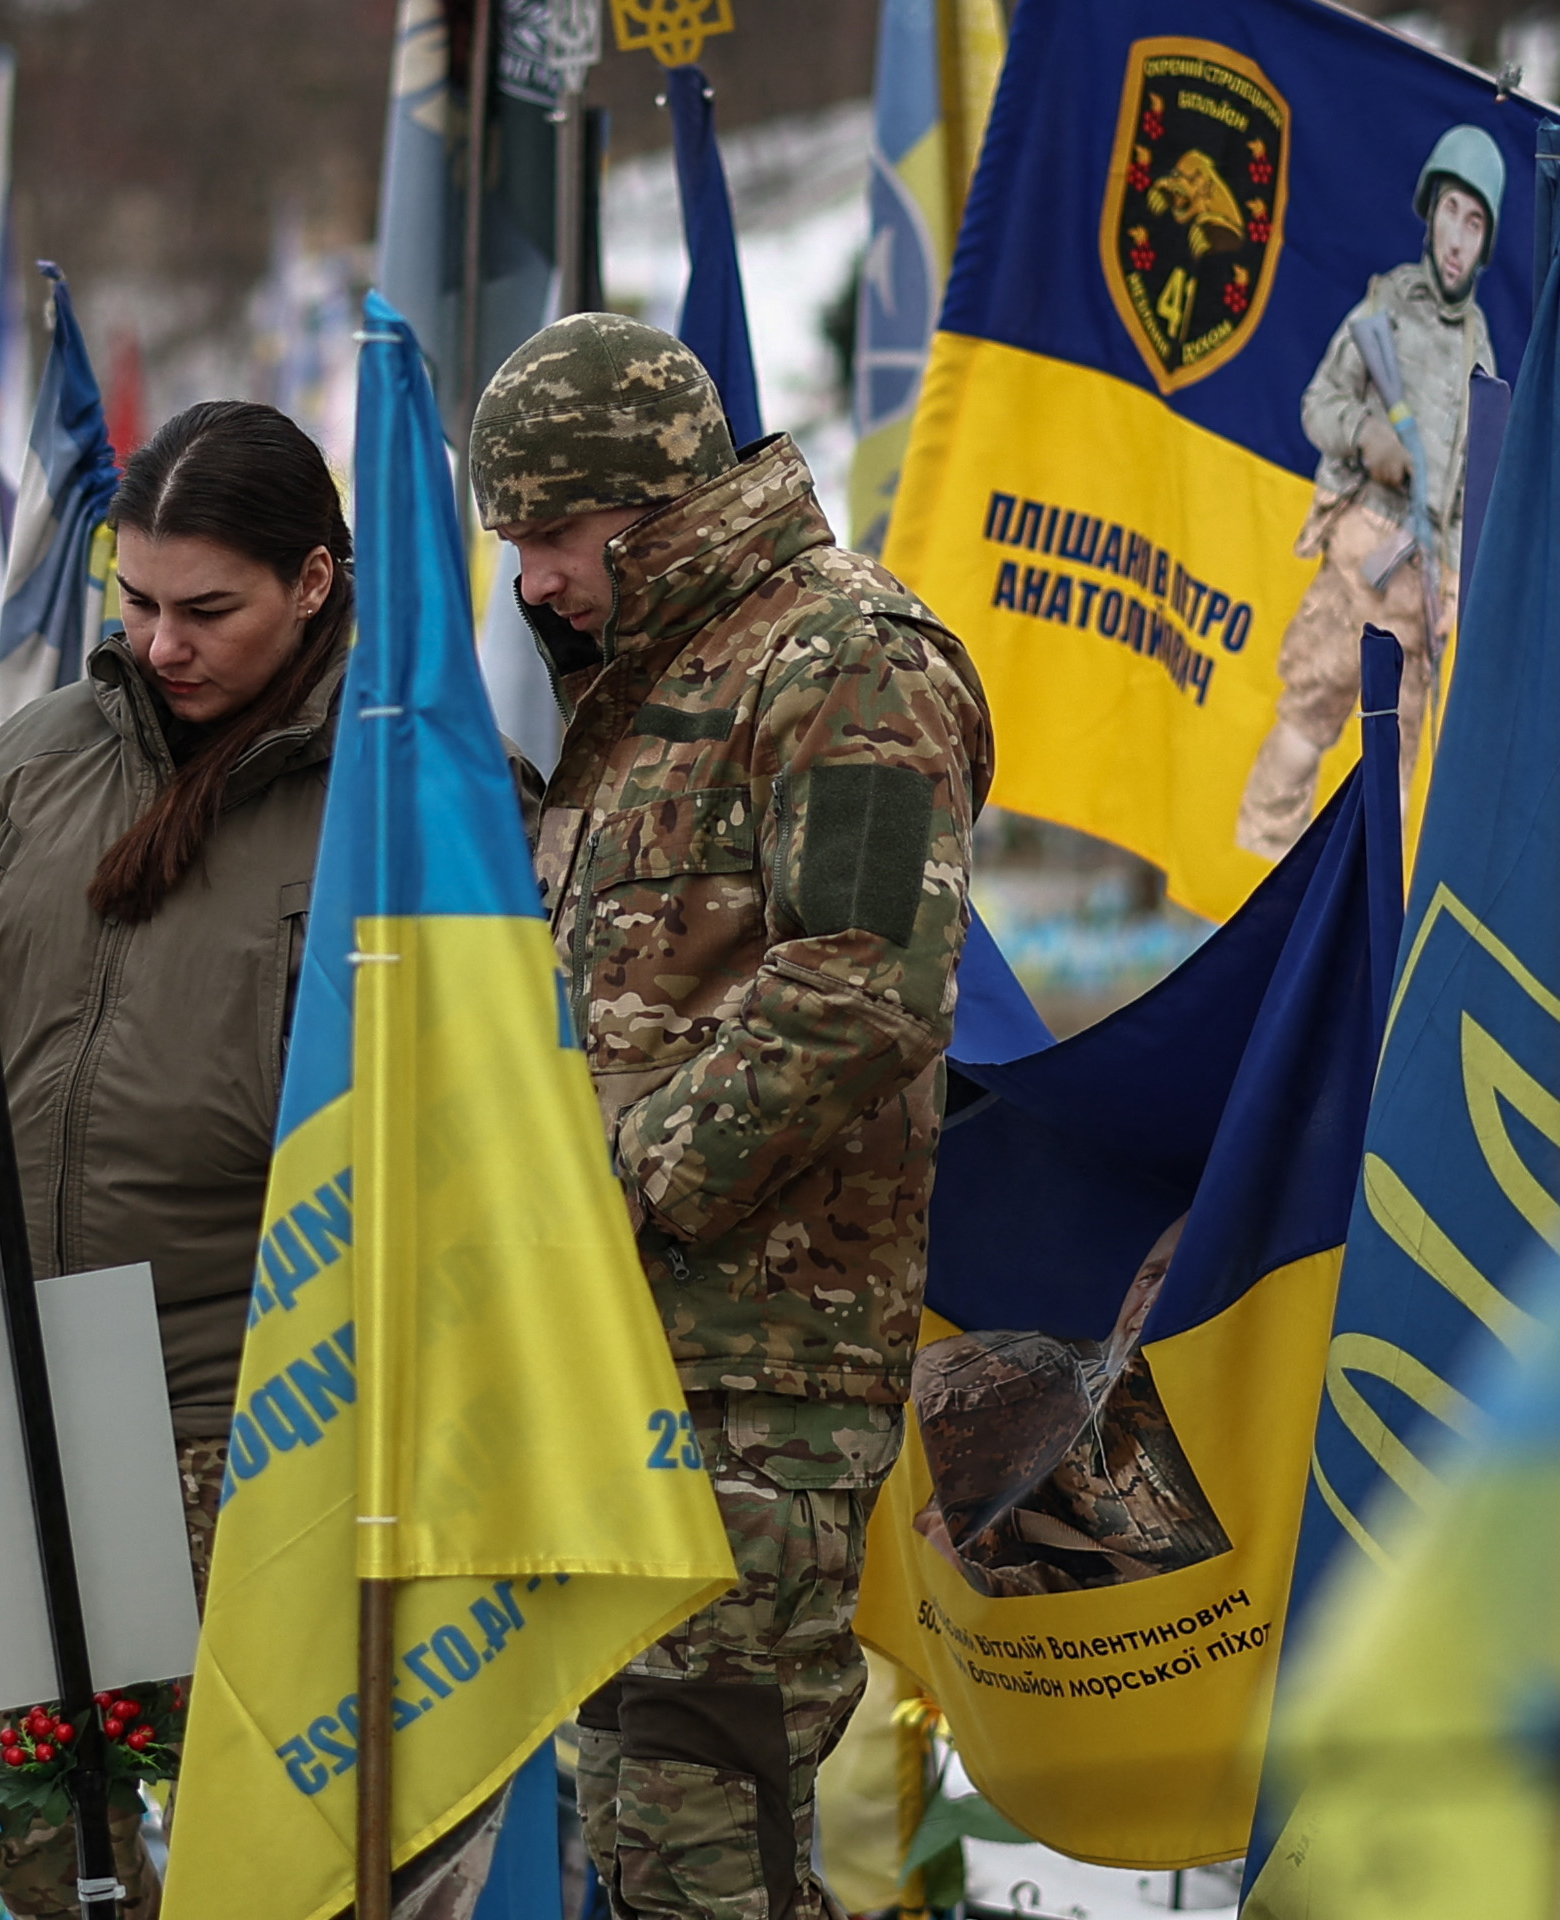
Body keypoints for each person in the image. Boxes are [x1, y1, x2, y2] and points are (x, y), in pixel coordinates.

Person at [0, 399, 510, 1920]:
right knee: (45, 1845)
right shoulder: (44, 757)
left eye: (207, 610)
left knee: (287, 1862)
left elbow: (485, 1121)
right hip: (33, 1377)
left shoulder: (414, 788)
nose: (160, 642)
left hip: (267, 1395)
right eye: (134, 601)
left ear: (317, 581)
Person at [469, 313, 993, 1920]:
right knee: (646, 1841)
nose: (531, 582)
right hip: (632, 1360)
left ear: (645, 504)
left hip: (759, 1377)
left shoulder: (840, 655)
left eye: (549, 537)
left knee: (710, 1846)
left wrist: (608, 1190)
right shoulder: (647, 683)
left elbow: (860, 986)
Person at [1236, 124, 1503, 858]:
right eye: (1449, 211)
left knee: (1396, 788)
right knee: (1303, 725)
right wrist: (1370, 437)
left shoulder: (1481, 348)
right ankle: (1255, 875)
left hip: (1423, 595)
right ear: (1429, 213)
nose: (1457, 236)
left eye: (1474, 222)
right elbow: (1318, 405)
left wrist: (1453, 584)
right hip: (1362, 559)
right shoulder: (1384, 310)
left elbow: (1466, 493)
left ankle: (1365, 931)